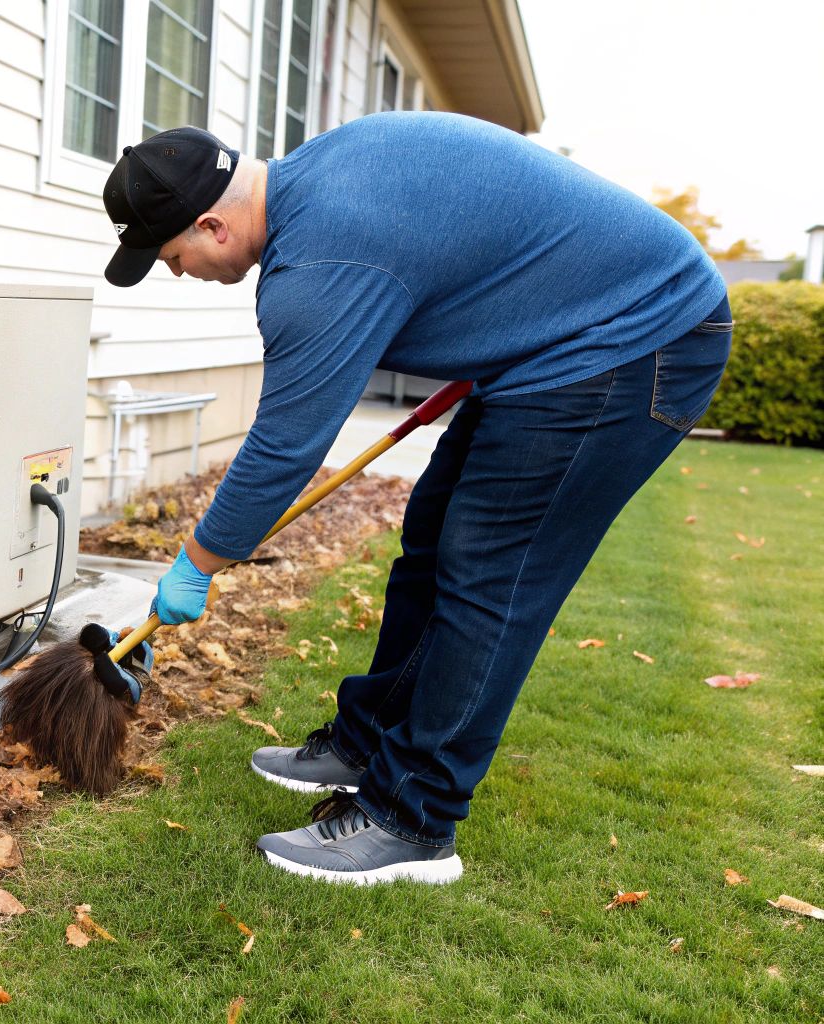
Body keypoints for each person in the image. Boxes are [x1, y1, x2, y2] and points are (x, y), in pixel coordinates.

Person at [100, 112, 730, 885]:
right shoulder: (315, 178)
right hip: (563, 341)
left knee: (492, 578)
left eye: (171, 256)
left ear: (212, 226)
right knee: (434, 539)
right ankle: (365, 742)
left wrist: (195, 563)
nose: (176, 271)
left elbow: (285, 449)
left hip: (638, 341)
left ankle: (414, 818)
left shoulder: (318, 266)